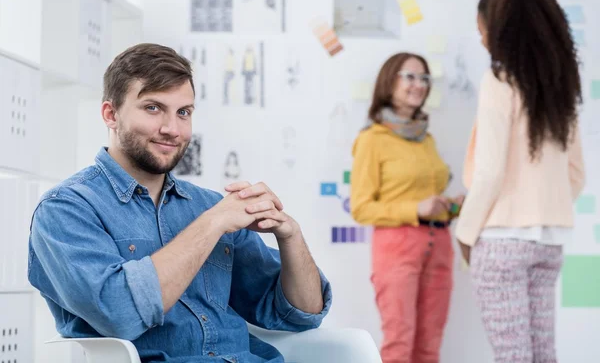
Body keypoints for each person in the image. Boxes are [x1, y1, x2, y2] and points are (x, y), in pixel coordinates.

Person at [28, 43, 332, 363]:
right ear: (110, 114)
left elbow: (301, 315)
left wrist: (290, 236)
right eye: (153, 108)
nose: (172, 129)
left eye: (183, 112)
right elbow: (120, 313)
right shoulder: (65, 210)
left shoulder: (210, 205)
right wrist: (212, 224)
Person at [455, 0, 585, 363]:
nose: (481, 40)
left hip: (500, 242)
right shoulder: (559, 89)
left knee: (512, 356)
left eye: (483, 30)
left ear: (502, 29)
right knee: (543, 354)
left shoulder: (498, 81)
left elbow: (490, 171)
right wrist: (542, 207)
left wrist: (466, 232)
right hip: (550, 241)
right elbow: (575, 175)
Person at [350, 52, 464, 363]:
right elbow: (361, 208)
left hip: (439, 245)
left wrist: (452, 206)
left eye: (424, 78)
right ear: (390, 81)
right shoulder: (372, 139)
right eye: (410, 76)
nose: (419, 85)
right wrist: (416, 208)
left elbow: (429, 198)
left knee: (430, 347)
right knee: (399, 344)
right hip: (397, 248)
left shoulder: (426, 139)